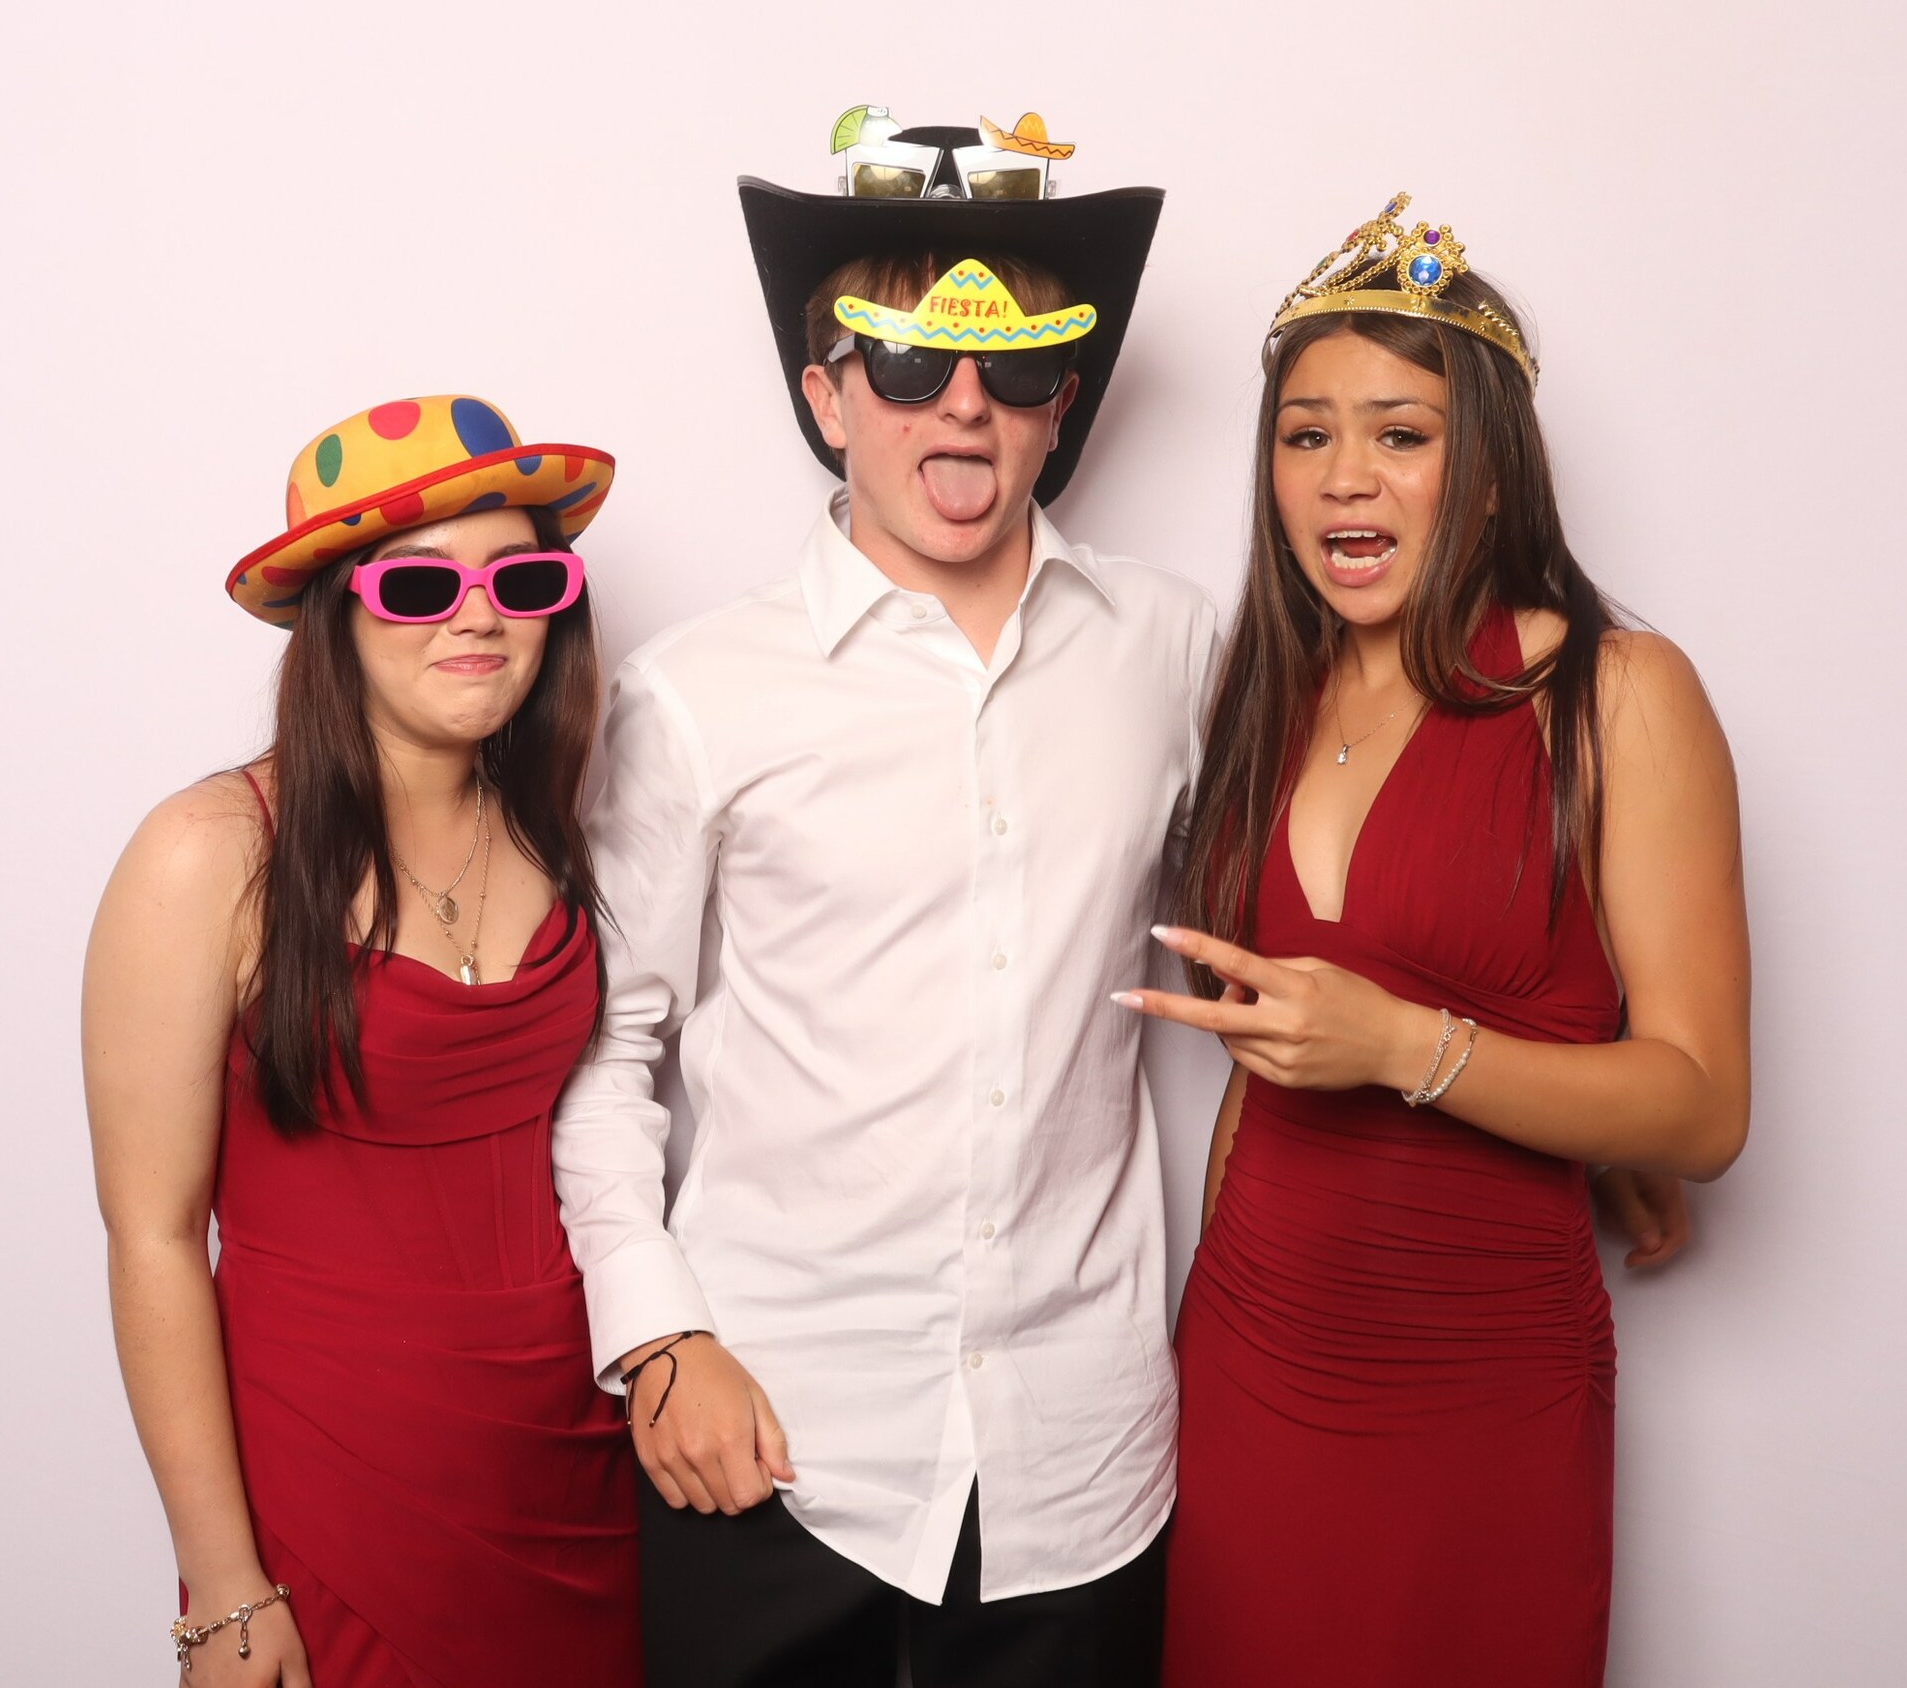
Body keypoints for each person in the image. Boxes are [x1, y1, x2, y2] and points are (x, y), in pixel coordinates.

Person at [549, 108, 1205, 1687]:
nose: (962, 404)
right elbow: (605, 1048)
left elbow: (1315, 892)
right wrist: (656, 1336)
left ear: (1062, 404)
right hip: (772, 1439)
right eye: (906, 365)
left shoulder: (1179, 652)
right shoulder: (695, 695)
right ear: (826, 395)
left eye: (1014, 369)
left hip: (1081, 1462)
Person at [1120, 195, 1751, 1686]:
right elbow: (1263, 1063)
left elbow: (1705, 1111)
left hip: (1486, 1395)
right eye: (1306, 435)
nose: (1347, 474)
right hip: (1249, 1368)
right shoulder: (1262, 697)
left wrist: (1410, 1048)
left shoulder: (1616, 694)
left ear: (1489, 470)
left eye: (1401, 433)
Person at [84, 395, 640, 1686]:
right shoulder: (209, 853)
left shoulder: (558, 829)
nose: (479, 615)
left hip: (568, 1469)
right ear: (335, 616)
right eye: (420, 585)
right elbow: (152, 1237)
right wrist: (224, 1586)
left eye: (522, 579)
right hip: (329, 1488)